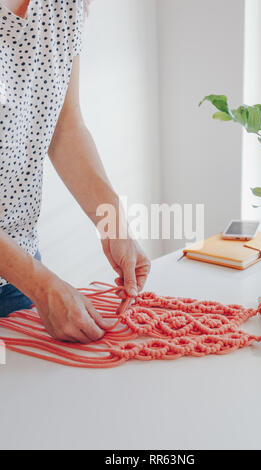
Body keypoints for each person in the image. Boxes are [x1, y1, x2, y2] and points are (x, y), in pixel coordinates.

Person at [0, 0, 151, 343]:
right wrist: (43, 285)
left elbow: (66, 129)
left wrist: (114, 223)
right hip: (28, 276)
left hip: (16, 275)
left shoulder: (63, 5)